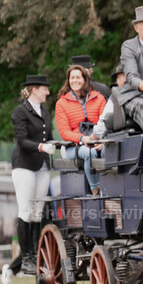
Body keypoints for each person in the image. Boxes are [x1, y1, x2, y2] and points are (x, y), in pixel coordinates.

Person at [2, 76, 54, 284]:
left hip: (42, 166)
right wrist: (41, 147)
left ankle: (33, 254)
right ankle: (27, 257)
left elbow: (48, 135)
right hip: (24, 166)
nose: (47, 93)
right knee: (25, 211)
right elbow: (22, 140)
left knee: (37, 212)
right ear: (34, 89)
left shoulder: (45, 111)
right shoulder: (20, 112)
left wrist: (57, 144)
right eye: (45, 89)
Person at [54, 63, 106, 194]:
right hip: (74, 146)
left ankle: (109, 187)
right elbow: (64, 132)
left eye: (78, 77)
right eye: (72, 78)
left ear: (85, 79)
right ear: (68, 80)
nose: (75, 81)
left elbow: (106, 122)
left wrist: (102, 140)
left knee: (108, 152)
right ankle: (95, 189)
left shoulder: (99, 98)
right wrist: (83, 139)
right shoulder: (61, 103)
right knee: (89, 153)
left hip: (97, 141)